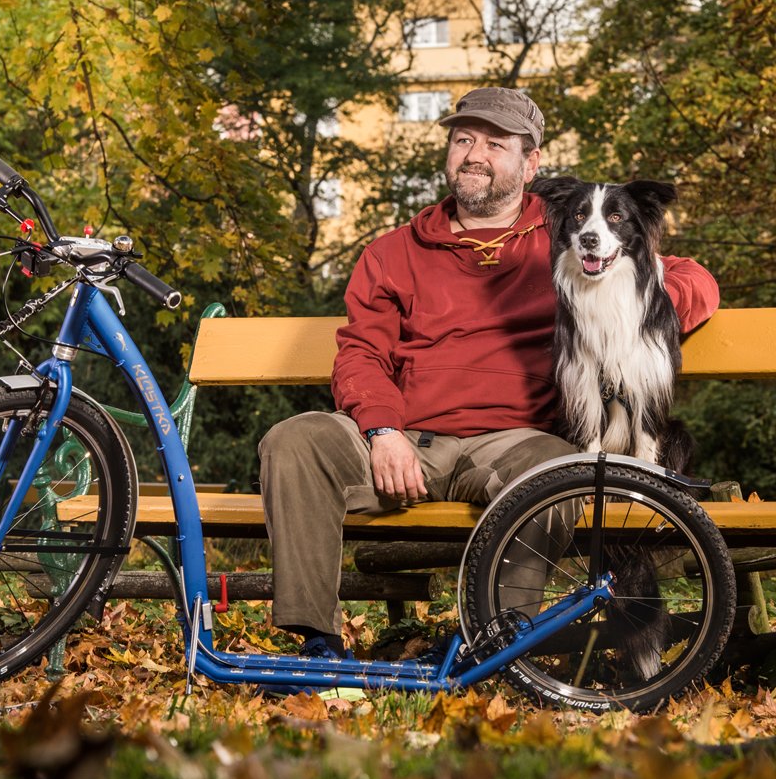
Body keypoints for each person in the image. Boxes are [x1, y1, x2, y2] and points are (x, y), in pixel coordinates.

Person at [258, 87, 720, 659]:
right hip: (408, 441)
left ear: (531, 163)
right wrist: (381, 430)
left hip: (516, 442)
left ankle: (500, 644)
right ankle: (317, 641)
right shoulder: (393, 253)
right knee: (296, 441)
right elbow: (361, 355)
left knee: (554, 470)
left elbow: (691, 277)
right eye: (463, 140)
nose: (474, 154)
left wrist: (650, 308)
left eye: (495, 144)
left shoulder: (572, 236)